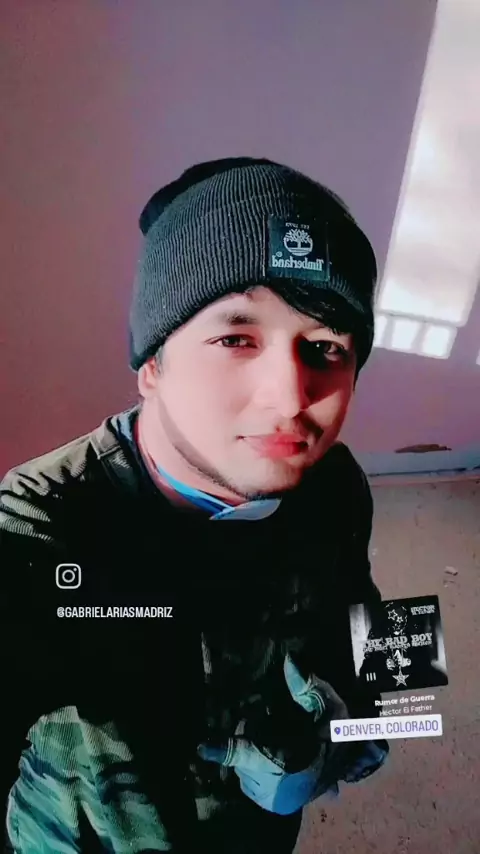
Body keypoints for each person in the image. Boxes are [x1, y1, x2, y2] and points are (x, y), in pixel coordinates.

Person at [0, 157, 389, 854]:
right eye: (236, 338)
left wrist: (337, 735)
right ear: (152, 364)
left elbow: (374, 645)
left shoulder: (335, 484)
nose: (290, 396)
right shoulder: (41, 524)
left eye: (326, 347)